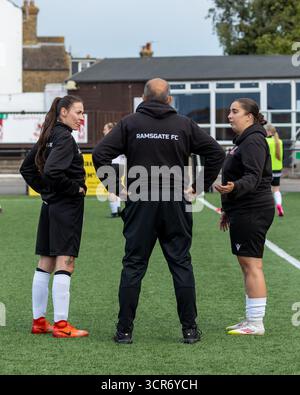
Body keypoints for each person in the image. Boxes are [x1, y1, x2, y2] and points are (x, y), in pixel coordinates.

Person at [93, 78, 225, 344]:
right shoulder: (184, 124)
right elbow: (216, 153)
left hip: (140, 201)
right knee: (181, 264)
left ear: (143, 99)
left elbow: (100, 153)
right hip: (175, 202)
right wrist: (198, 187)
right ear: (169, 99)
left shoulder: (130, 123)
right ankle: (189, 330)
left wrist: (115, 188)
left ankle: (124, 331)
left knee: (133, 266)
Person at [20, 95, 89, 338]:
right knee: (66, 261)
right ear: (63, 112)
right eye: (78, 112)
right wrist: (74, 189)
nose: (82, 117)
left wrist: (46, 191)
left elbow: (26, 168)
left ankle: (39, 321)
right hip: (66, 207)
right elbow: (52, 171)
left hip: (50, 206)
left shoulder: (48, 135)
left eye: (82, 113)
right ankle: (61, 326)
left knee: (45, 262)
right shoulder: (65, 139)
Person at [215, 98, 274, 336]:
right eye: (230, 111)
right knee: (247, 264)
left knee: (252, 264)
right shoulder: (244, 141)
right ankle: (251, 319)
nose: (229, 116)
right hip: (243, 208)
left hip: (253, 208)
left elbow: (253, 176)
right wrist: (228, 209)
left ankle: (256, 323)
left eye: (235, 111)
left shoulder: (253, 141)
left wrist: (233, 189)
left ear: (249, 116)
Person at [101, 122, 126, 218]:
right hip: (121, 165)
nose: (103, 131)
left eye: (105, 129)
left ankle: (114, 211)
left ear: (110, 130)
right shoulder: (120, 138)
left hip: (113, 164)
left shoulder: (109, 139)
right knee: (117, 187)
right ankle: (118, 209)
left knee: (111, 189)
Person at [265, 124, 284, 216]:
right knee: (276, 189)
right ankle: (279, 205)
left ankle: (266, 208)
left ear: (268, 132)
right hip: (277, 169)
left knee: (265, 190)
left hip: (267, 169)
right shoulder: (280, 141)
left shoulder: (265, 141)